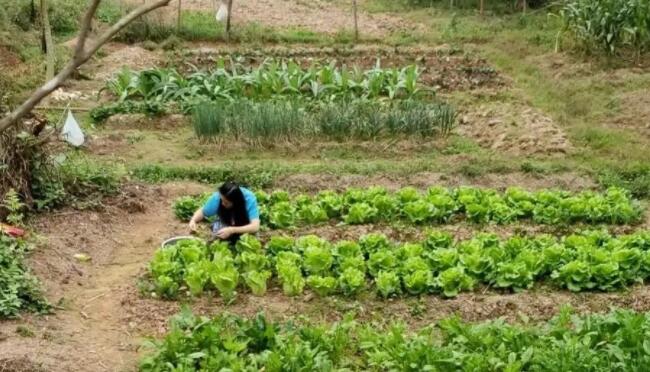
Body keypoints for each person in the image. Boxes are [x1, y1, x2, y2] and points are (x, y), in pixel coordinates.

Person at [188, 181, 260, 244]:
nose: (222, 203)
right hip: (226, 222)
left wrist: (232, 230)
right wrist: (193, 220)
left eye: (226, 203)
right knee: (218, 232)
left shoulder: (249, 199)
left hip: (244, 224)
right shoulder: (218, 197)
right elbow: (203, 211)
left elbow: (255, 226)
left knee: (251, 238)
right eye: (221, 200)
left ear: (235, 202)